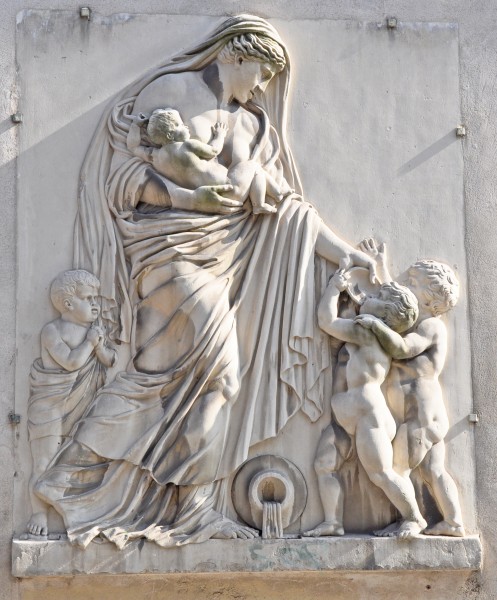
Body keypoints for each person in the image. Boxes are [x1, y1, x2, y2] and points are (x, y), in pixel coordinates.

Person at [37, 15, 377, 548]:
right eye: (261, 72)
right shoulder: (172, 90)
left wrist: (348, 255)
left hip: (223, 258)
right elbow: (125, 179)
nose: (263, 87)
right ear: (235, 54)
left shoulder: (253, 127)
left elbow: (290, 212)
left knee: (199, 379)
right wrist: (188, 198)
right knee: (171, 375)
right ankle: (81, 481)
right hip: (167, 251)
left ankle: (177, 502)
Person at [304, 269, 427, 538]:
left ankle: (414, 518)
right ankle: (332, 522)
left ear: (385, 312)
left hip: (367, 415)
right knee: (324, 465)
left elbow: (326, 321)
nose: (371, 295)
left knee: (381, 474)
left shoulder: (368, 331)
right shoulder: (370, 330)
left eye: (379, 295)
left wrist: (334, 288)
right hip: (346, 416)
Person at [355, 257, 465, 537]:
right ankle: (453, 522)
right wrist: (381, 271)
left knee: (396, 468)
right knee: (433, 471)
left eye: (411, 283)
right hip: (422, 414)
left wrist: (375, 326)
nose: (404, 285)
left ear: (430, 299)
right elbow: (399, 306)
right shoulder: (418, 320)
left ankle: (412, 519)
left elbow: (402, 348)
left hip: (420, 415)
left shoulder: (430, 327)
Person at [27, 270, 116, 536]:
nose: (95, 304)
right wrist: (91, 343)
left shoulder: (95, 330)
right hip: (50, 406)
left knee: (80, 462)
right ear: (68, 304)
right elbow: (71, 363)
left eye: (95, 298)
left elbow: (110, 360)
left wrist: (100, 346)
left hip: (83, 403)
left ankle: (80, 512)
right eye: (88, 298)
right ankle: (39, 513)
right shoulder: (51, 331)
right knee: (43, 463)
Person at [126, 109, 287, 214]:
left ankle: (272, 196)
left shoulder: (156, 157)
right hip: (230, 187)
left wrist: (135, 125)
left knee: (252, 168)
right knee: (252, 167)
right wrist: (220, 135)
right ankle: (269, 198)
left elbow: (133, 147)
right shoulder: (187, 146)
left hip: (213, 201)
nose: (186, 127)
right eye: (180, 125)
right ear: (169, 135)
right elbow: (213, 151)